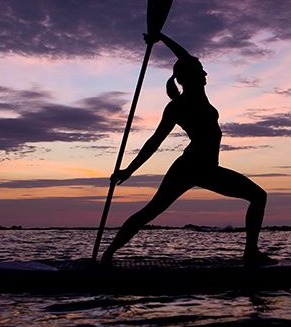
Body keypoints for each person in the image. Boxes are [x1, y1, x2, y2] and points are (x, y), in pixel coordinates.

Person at [100, 31, 273, 266]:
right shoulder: (178, 106)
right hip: (189, 167)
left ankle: (250, 252)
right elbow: (154, 142)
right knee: (151, 211)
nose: (205, 73)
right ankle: (108, 256)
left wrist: (161, 36)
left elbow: (186, 58)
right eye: (200, 70)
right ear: (189, 77)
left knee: (258, 197)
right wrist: (128, 171)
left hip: (208, 169)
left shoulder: (199, 94)